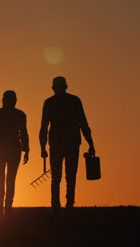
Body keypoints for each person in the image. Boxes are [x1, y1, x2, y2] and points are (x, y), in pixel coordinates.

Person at [39, 76, 96, 213]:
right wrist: (91, 143)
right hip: (68, 143)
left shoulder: (52, 102)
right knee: (67, 176)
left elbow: (44, 127)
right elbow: (83, 123)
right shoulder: (73, 101)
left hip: (63, 144)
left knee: (61, 176)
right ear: (65, 86)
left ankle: (60, 205)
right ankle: (64, 204)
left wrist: (42, 147)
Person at [0, 90, 29, 215]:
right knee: (10, 179)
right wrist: (26, 149)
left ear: (4, 100)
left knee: (1, 178)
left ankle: (2, 206)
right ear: (15, 101)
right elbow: (23, 133)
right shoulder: (20, 115)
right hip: (11, 149)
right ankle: (6, 207)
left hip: (1, 149)